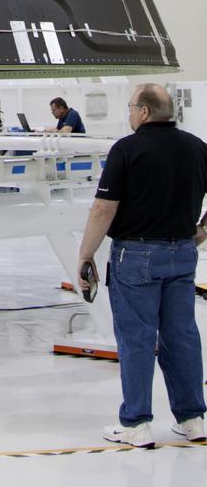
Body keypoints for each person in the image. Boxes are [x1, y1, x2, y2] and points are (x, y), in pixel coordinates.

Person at [76, 83, 207, 448]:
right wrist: (202, 231)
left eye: (132, 107)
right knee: (181, 336)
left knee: (136, 337)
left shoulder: (127, 150)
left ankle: (136, 423)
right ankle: (193, 418)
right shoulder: (197, 148)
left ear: (145, 112)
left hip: (135, 256)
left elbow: (104, 209)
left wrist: (86, 255)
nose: (130, 113)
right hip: (182, 253)